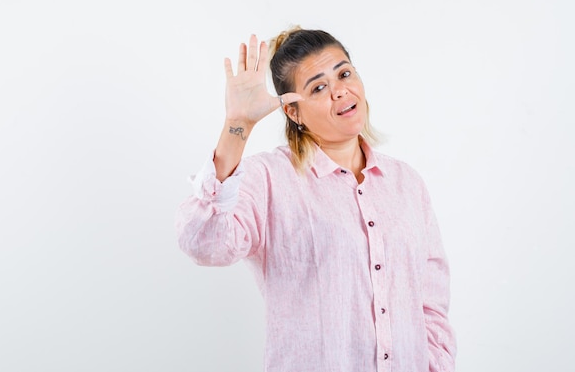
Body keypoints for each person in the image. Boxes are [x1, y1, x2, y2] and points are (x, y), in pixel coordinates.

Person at [175, 26, 456, 372]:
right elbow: (203, 243)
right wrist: (238, 125)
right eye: (319, 87)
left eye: (344, 73)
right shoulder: (270, 179)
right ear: (294, 112)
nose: (340, 91)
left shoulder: (407, 184)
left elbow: (431, 303)